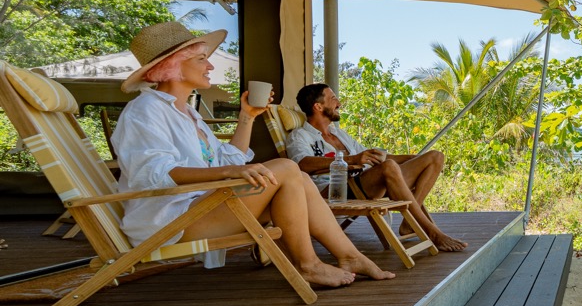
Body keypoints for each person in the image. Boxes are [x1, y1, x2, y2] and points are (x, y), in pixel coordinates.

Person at [111, 21, 395, 288]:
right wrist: (228, 173)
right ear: (171, 66)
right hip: (168, 221)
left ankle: (349, 256)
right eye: (201, 59)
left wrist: (247, 117)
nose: (209, 65)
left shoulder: (187, 114)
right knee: (285, 167)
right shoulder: (145, 110)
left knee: (299, 182)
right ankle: (308, 264)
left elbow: (226, 159)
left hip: (199, 208)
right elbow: (152, 173)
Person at [287, 83, 467, 252]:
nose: (339, 103)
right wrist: (352, 159)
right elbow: (301, 163)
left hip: (367, 181)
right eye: (333, 98)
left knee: (435, 157)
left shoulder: (338, 133)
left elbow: (371, 156)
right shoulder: (300, 136)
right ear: (318, 107)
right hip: (335, 189)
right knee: (388, 166)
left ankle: (408, 222)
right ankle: (433, 232)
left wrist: (413, 159)